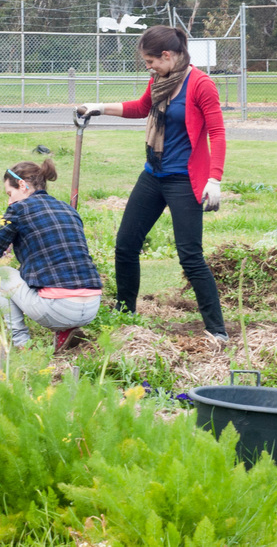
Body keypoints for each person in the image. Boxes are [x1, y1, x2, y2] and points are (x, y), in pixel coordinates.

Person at [77, 25, 228, 344]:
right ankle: (125, 316)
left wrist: (214, 179)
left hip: (184, 179)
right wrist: (100, 107)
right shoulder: (160, 80)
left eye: (151, 61)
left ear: (168, 55)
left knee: (190, 256)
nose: (148, 67)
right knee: (125, 245)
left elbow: (217, 132)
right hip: (153, 174)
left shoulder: (201, 85)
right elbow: (141, 107)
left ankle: (217, 330)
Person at [0, 159, 102, 353]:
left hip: (59, 308)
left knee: (2, 275)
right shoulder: (68, 209)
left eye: (10, 194)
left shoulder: (19, 209)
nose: (9, 201)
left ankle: (21, 343)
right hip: (92, 305)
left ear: (22, 185)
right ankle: (65, 332)